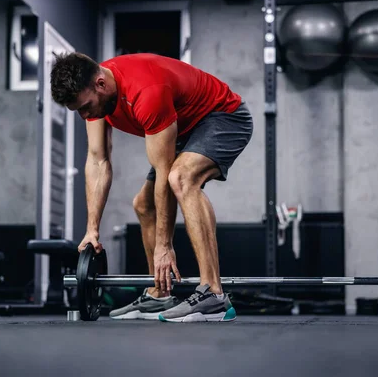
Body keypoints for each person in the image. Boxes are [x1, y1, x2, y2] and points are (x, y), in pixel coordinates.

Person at [50, 52, 253, 322]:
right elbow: (98, 161)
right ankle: (161, 294)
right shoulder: (96, 95)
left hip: (223, 117)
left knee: (181, 178)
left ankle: (213, 294)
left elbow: (164, 173)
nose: (85, 115)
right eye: (79, 111)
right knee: (143, 205)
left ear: (100, 84)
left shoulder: (146, 92)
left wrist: (164, 246)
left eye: (86, 107)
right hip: (182, 127)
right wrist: (92, 230)